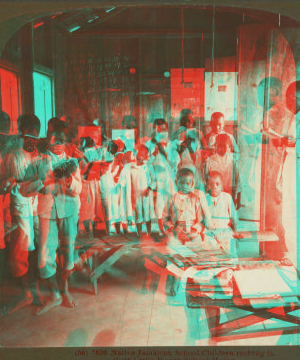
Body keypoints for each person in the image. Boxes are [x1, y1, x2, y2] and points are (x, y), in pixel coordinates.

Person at [22, 119, 82, 315]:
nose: (57, 146)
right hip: (47, 213)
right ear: (49, 139)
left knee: (68, 252)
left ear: (66, 142)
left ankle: (65, 292)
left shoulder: (72, 162)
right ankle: (55, 294)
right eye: (54, 141)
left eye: (61, 142)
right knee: (45, 256)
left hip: (69, 211)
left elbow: (78, 189)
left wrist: (70, 179)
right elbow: (24, 188)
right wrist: (43, 181)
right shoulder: (39, 160)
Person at [0, 114, 41, 314]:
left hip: (37, 212)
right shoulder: (10, 156)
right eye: (27, 136)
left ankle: (34, 291)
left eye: (35, 137)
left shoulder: (40, 158)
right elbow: (1, 185)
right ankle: (26, 293)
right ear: (20, 134)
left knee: (36, 252)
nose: (31, 141)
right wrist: (8, 183)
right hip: (18, 212)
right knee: (19, 255)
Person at [121, 145, 156, 236]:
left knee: (147, 214)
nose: (140, 158)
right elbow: (123, 174)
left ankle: (149, 233)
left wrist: (149, 188)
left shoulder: (148, 167)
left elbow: (154, 181)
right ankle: (139, 234)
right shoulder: (130, 167)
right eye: (139, 155)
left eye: (144, 156)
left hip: (146, 194)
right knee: (138, 215)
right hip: (135, 195)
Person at [203, 133, 242, 209]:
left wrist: (238, 202)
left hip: (228, 197)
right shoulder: (209, 161)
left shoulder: (233, 163)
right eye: (218, 145)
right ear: (215, 146)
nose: (220, 148)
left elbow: (238, 183)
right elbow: (205, 182)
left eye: (223, 145)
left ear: (229, 147)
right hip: (213, 198)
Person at [205, 171, 239, 255]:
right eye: (211, 184)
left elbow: (234, 217)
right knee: (210, 248)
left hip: (224, 230)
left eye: (217, 184)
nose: (214, 187)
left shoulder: (227, 197)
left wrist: (236, 231)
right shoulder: (205, 198)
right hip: (210, 231)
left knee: (228, 247)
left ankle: (229, 263)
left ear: (222, 186)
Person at [146, 118, 178, 194]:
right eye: (158, 129)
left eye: (163, 129)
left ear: (166, 129)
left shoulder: (171, 144)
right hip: (155, 175)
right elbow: (147, 161)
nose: (161, 132)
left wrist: (165, 150)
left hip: (168, 174)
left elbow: (174, 162)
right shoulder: (149, 144)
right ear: (155, 129)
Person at [79, 137, 102, 236]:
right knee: (94, 206)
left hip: (87, 181)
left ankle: (88, 229)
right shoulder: (96, 152)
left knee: (87, 206)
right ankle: (92, 228)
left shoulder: (86, 153)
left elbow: (84, 169)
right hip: (95, 181)